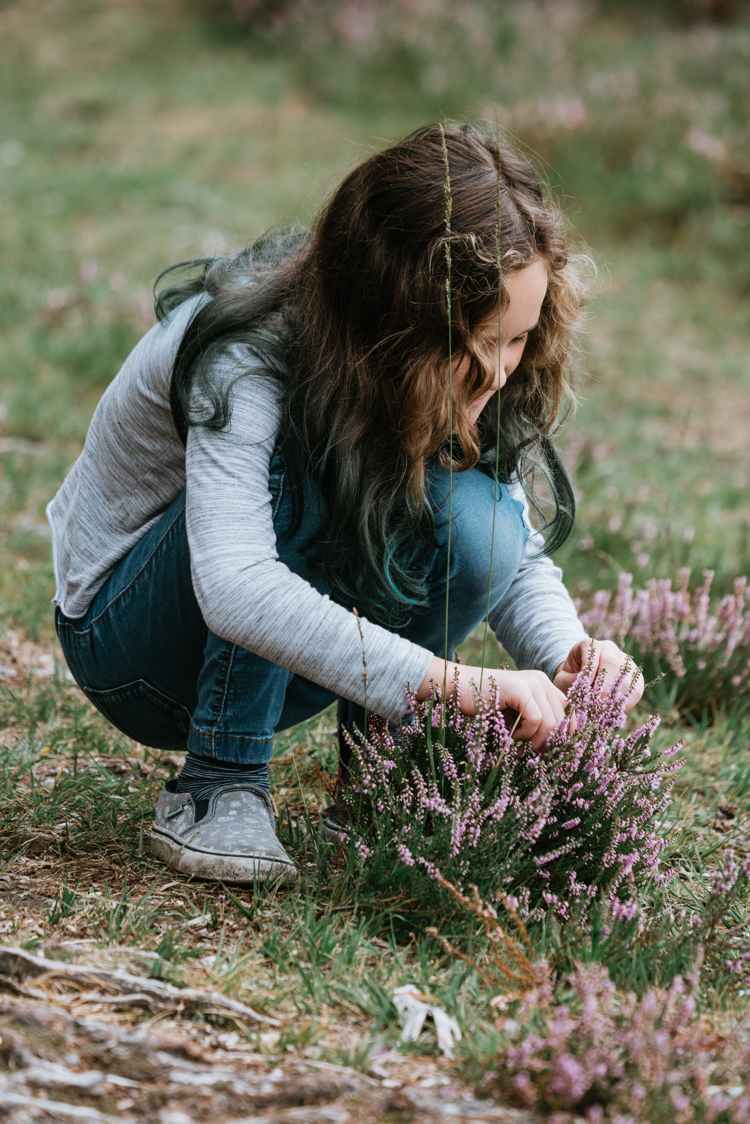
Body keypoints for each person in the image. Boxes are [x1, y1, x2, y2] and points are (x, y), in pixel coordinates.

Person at [47, 120, 644, 885]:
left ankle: (376, 783)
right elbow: (235, 586)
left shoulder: (459, 363)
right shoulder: (246, 354)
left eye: (518, 338)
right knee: (309, 454)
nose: (500, 370)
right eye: (476, 344)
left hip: (278, 646)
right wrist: (460, 688)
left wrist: (568, 654)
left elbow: (506, 546)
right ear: (395, 326)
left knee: (478, 513)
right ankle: (218, 784)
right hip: (133, 647)